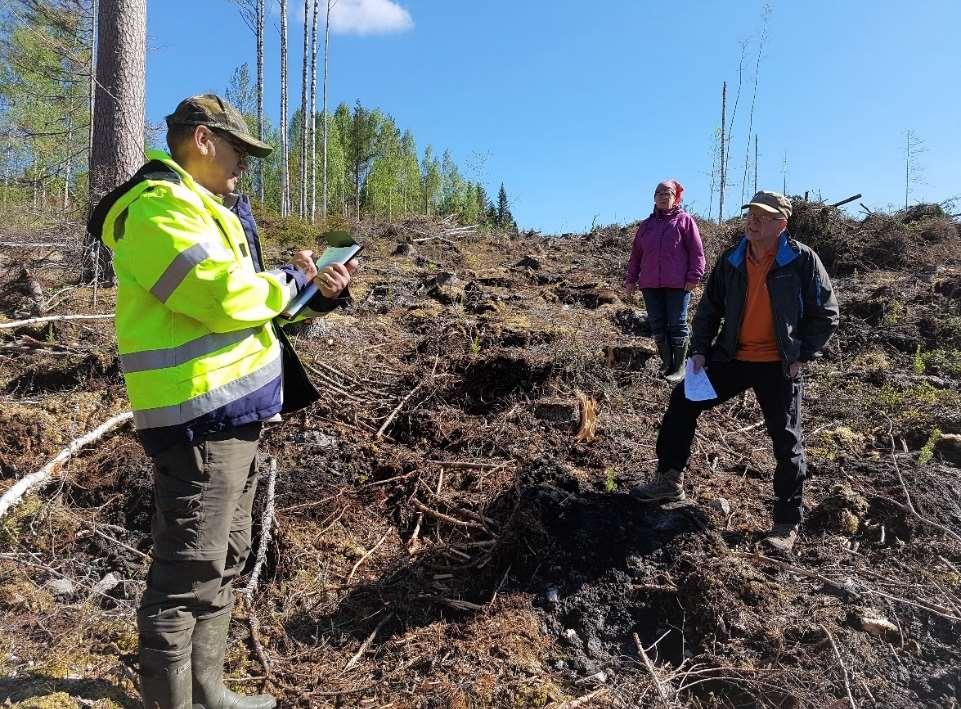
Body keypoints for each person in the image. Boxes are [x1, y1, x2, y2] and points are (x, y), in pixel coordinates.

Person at [88, 94, 357, 708]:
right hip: (197, 419)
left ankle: (209, 689)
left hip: (233, 416)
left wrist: (316, 294)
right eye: (239, 153)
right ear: (204, 140)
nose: (245, 167)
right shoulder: (157, 209)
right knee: (187, 573)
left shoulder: (211, 212)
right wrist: (291, 279)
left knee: (224, 556)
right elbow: (216, 296)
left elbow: (252, 318)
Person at [632, 191, 839, 554]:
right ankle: (669, 480)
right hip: (731, 358)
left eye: (764, 216)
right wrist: (698, 351)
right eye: (751, 213)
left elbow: (826, 313)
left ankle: (786, 523)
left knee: (786, 439)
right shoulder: (732, 260)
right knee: (682, 401)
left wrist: (802, 354)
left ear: (781, 224)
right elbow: (709, 310)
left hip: (778, 364)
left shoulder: (802, 261)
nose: (754, 220)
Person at [624, 179, 705, 382]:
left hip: (678, 283)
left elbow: (697, 252)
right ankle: (667, 363)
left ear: (675, 198)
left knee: (677, 323)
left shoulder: (685, 221)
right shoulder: (646, 225)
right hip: (650, 284)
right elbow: (636, 255)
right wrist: (631, 280)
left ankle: (680, 367)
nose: (662, 196)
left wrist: (694, 276)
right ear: (654, 198)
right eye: (659, 193)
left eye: (667, 193)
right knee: (657, 324)